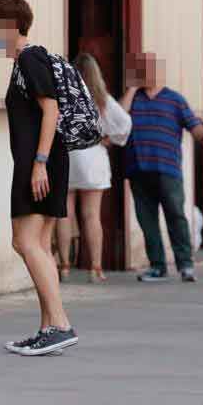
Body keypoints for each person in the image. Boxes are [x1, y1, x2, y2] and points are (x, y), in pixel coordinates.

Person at [0, 0, 79, 357]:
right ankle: (48, 327)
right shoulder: (29, 60)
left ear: (10, 27)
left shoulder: (30, 58)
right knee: (38, 245)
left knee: (25, 242)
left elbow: (50, 109)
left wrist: (39, 162)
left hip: (40, 163)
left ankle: (60, 323)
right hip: (45, 161)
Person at [120, 52, 203, 283]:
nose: (147, 74)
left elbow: (194, 125)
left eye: (150, 69)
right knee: (147, 220)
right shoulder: (133, 99)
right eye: (142, 70)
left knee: (175, 215)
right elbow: (119, 119)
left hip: (167, 168)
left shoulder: (174, 99)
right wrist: (132, 88)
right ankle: (157, 266)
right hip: (138, 168)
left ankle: (185, 265)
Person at [56, 53, 131, 284]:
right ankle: (95, 268)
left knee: (64, 214)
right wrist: (109, 138)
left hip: (67, 155)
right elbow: (125, 124)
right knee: (91, 215)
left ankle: (65, 267)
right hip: (93, 157)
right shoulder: (102, 99)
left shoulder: (63, 94)